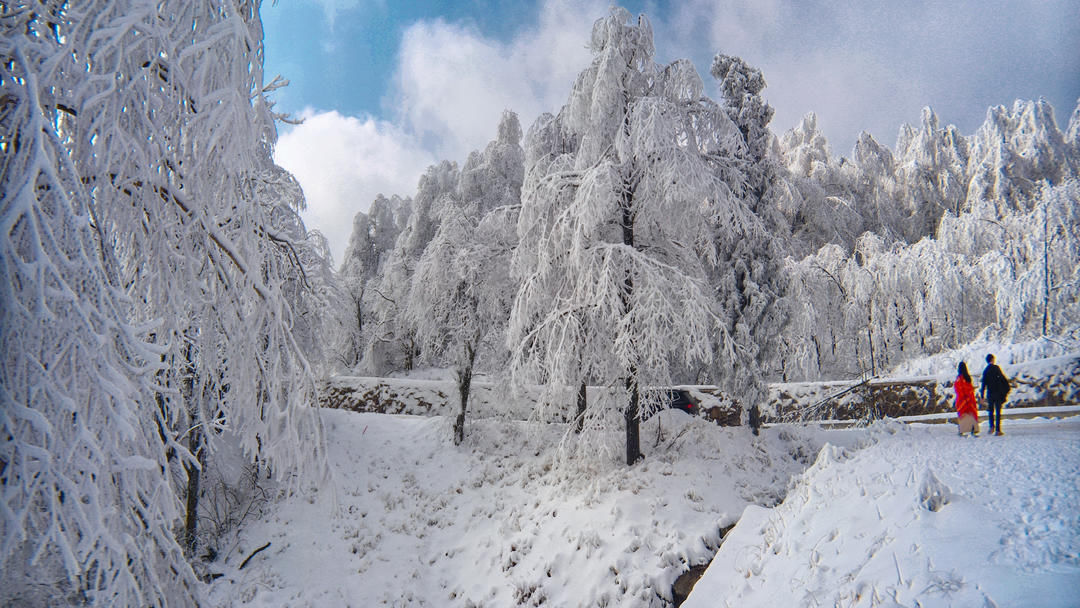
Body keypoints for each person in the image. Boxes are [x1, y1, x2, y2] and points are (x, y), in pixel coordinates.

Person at [981, 354, 1011, 436]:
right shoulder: (996, 368)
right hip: (998, 393)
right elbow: (1002, 379)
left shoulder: (985, 370)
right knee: (998, 411)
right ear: (992, 359)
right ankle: (998, 430)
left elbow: (983, 384)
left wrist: (982, 396)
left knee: (991, 411)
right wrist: (1006, 388)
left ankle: (991, 427)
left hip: (990, 394)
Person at [954, 361, 979, 436]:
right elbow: (969, 388)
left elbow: (958, 389)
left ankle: (962, 430)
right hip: (970, 399)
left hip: (962, 399)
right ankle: (973, 429)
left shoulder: (959, 379)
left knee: (963, 415)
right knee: (971, 414)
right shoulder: (968, 378)